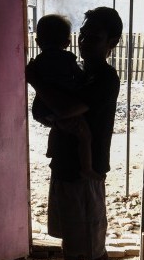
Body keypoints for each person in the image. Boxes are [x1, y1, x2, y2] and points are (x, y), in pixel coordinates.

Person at [26, 7, 123, 260]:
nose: (84, 42)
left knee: (94, 236)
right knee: (70, 228)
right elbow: (53, 110)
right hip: (64, 161)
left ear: (113, 42)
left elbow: (66, 108)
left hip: (88, 168)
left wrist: (37, 83)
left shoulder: (106, 78)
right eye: (82, 35)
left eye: (93, 37)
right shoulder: (78, 73)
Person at [30, 14, 101, 180]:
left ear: (38, 42)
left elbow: (34, 77)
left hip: (41, 108)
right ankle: (87, 169)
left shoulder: (38, 61)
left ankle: (51, 149)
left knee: (57, 125)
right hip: (63, 106)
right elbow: (80, 77)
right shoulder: (68, 59)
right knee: (84, 135)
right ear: (67, 43)